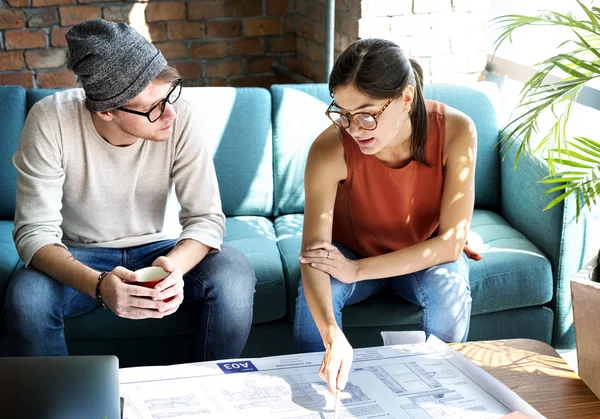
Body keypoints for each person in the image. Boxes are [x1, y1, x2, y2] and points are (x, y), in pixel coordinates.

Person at [4, 18, 256, 361]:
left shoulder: (179, 115)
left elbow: (206, 218)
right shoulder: (50, 120)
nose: (169, 113)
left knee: (234, 271)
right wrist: (99, 286)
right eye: (153, 107)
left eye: (170, 94)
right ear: (105, 111)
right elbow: (35, 234)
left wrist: (174, 268)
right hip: (80, 253)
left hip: (161, 248)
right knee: (27, 297)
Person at [294, 38, 482, 394]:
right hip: (348, 252)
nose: (354, 128)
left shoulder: (457, 130)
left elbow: (450, 245)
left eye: (367, 114)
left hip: (419, 255)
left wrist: (359, 271)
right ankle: (316, 396)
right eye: (343, 114)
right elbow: (315, 255)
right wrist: (333, 337)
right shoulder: (329, 147)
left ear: (406, 99)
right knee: (313, 308)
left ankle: (437, 397)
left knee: (449, 291)